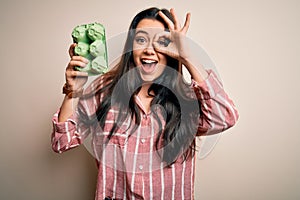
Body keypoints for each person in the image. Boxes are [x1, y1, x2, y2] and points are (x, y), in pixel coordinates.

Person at [51, 7, 239, 200]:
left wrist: (187, 56)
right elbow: (61, 142)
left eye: (161, 42)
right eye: (141, 40)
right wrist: (73, 92)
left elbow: (225, 118)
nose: (149, 49)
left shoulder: (188, 98)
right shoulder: (104, 90)